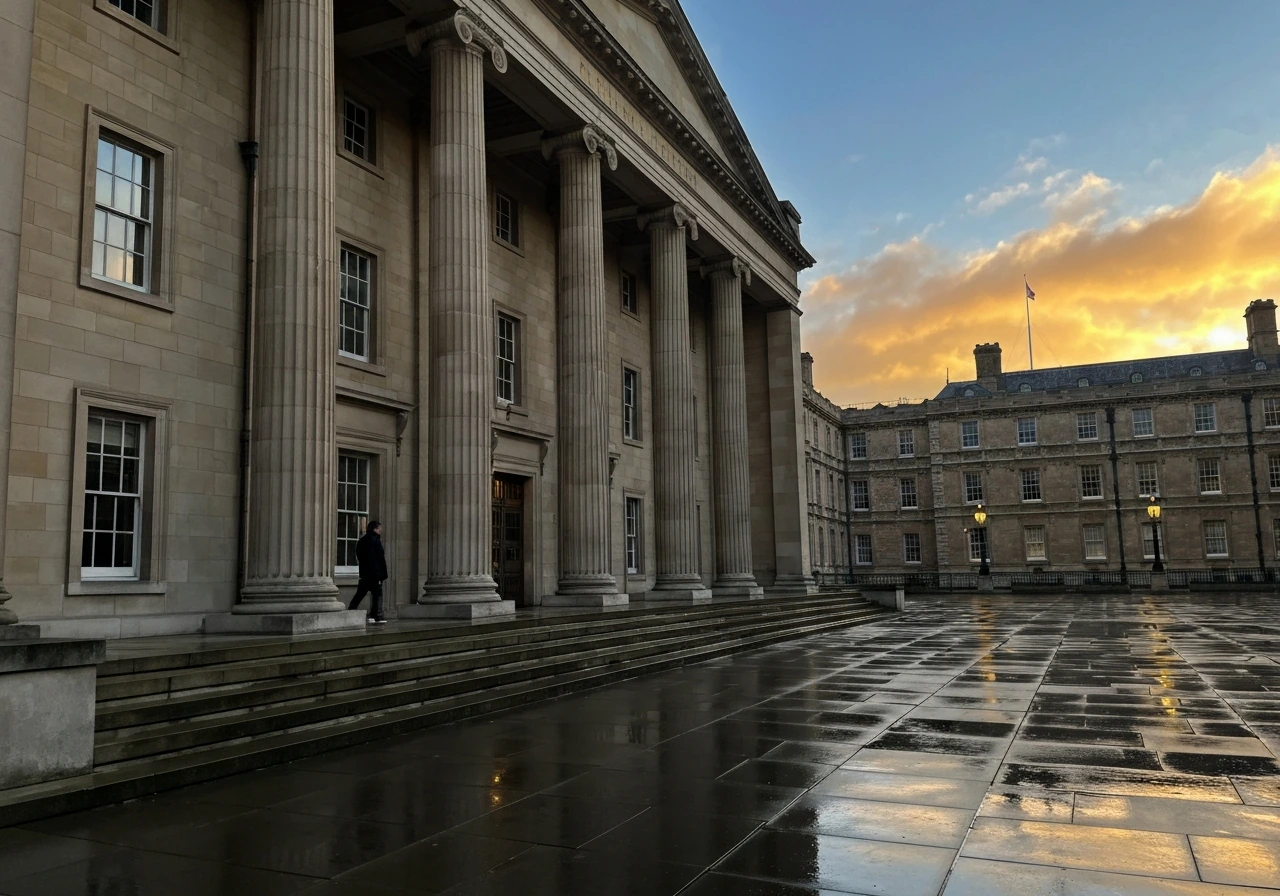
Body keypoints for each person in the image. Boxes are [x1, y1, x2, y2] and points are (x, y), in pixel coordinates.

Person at [348, 520, 388, 624]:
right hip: (375, 574)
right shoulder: (375, 540)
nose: (381, 530)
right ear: (375, 529)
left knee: (360, 593)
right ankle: (377, 616)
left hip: (365, 573)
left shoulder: (362, 541)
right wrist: (380, 574)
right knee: (377, 594)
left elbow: (360, 556)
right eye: (379, 528)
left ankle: (351, 610)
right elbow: (379, 559)